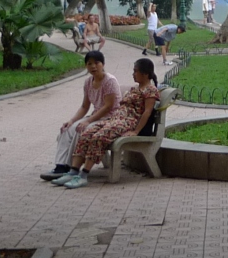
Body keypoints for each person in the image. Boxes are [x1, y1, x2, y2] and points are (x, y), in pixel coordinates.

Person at [51, 58, 161, 189]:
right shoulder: (135, 88)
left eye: (135, 71)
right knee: (86, 134)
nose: (133, 74)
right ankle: (73, 172)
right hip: (116, 119)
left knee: (99, 137)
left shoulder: (150, 90)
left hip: (127, 123)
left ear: (145, 74)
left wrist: (136, 131)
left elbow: (147, 112)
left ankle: (83, 176)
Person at [41, 50, 120, 181]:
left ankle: (71, 167)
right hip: (95, 117)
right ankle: (60, 166)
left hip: (110, 118)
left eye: (96, 63)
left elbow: (108, 107)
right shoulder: (88, 82)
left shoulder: (110, 81)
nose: (93, 66)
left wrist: (88, 121)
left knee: (81, 129)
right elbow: (84, 106)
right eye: (89, 64)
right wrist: (71, 120)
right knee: (67, 129)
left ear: (103, 64)